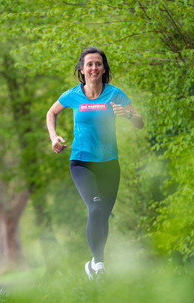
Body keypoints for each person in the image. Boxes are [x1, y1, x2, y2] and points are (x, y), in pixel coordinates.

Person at [46, 46, 144, 280]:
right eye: (89, 64)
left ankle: (93, 263)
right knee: (96, 207)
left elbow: (140, 122)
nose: (94, 68)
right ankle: (99, 264)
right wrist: (53, 137)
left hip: (109, 164)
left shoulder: (115, 94)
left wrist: (128, 115)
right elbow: (51, 113)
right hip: (81, 163)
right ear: (81, 69)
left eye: (98, 63)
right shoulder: (72, 95)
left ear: (104, 68)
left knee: (103, 216)